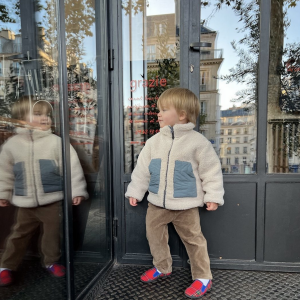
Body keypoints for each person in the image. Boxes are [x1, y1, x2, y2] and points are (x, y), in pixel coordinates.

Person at [125, 88, 224, 299]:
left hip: (186, 205)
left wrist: (213, 195)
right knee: (154, 236)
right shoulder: (153, 142)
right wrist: (136, 191)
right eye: (158, 109)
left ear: (181, 115)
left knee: (194, 240)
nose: (158, 113)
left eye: (164, 109)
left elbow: (211, 170)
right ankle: (162, 267)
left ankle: (203, 277)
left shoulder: (198, 142)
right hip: (156, 204)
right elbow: (142, 170)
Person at [0, 97, 88, 287]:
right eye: (38, 114)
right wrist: (3, 193)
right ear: (21, 118)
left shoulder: (56, 142)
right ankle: (6, 266)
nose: (45, 118)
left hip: (52, 200)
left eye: (47, 115)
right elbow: (4, 173)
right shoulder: (12, 145)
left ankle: (51, 261)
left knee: (53, 233)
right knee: (18, 235)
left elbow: (72, 168)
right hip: (25, 203)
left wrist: (77, 190)